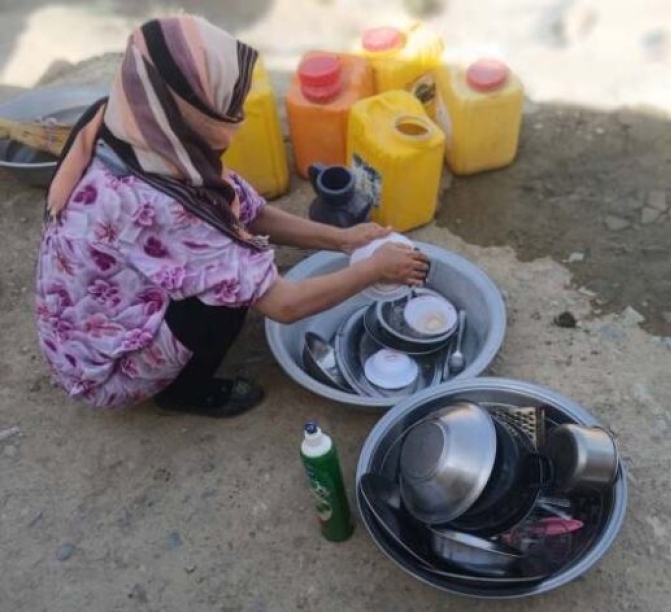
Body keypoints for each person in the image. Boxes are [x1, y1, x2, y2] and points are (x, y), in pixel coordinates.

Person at [35, 15, 429, 418]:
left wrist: (343, 240)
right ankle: (186, 392)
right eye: (228, 102)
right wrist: (373, 269)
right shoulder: (162, 200)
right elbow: (285, 306)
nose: (238, 115)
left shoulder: (134, 124)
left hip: (83, 327)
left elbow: (246, 211)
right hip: (105, 369)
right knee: (226, 296)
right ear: (192, 109)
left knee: (234, 267)